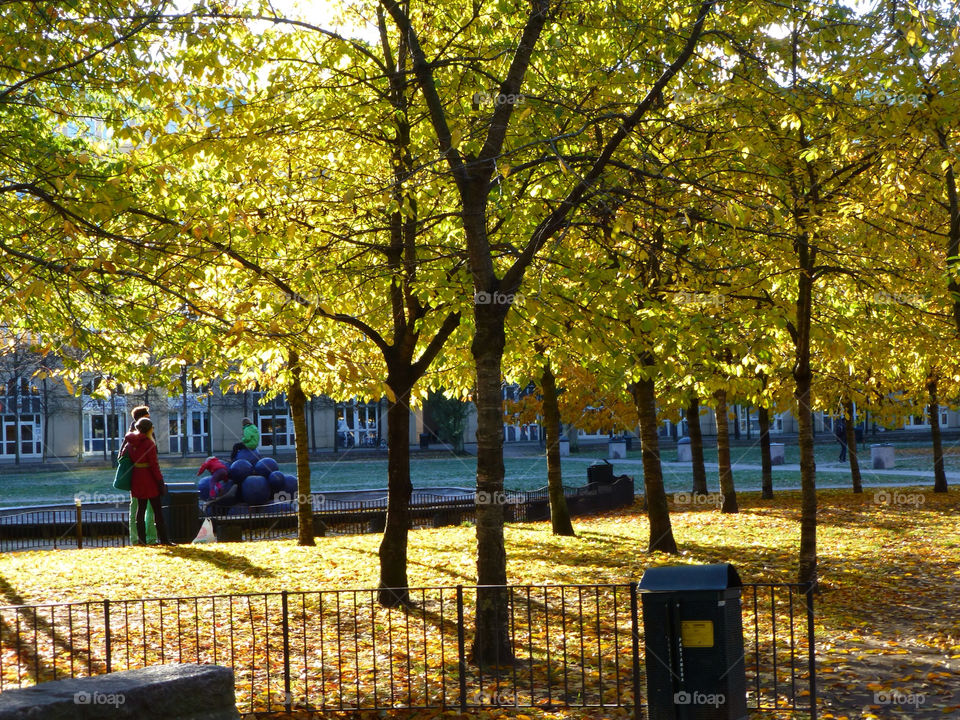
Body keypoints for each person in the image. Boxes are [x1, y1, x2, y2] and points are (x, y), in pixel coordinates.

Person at [124, 417, 172, 545]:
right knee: (157, 510)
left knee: (140, 510)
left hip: (136, 478)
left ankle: (141, 541)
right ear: (149, 429)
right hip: (149, 480)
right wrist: (160, 482)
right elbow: (154, 465)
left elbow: (124, 457)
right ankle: (164, 540)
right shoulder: (149, 443)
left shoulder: (130, 443)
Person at [119, 405, 156, 545]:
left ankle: (136, 539)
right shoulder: (145, 434)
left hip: (136, 477)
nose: (150, 418)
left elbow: (121, 456)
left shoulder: (130, 436)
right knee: (145, 509)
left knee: (136, 509)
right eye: (147, 416)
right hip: (145, 477)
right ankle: (149, 538)